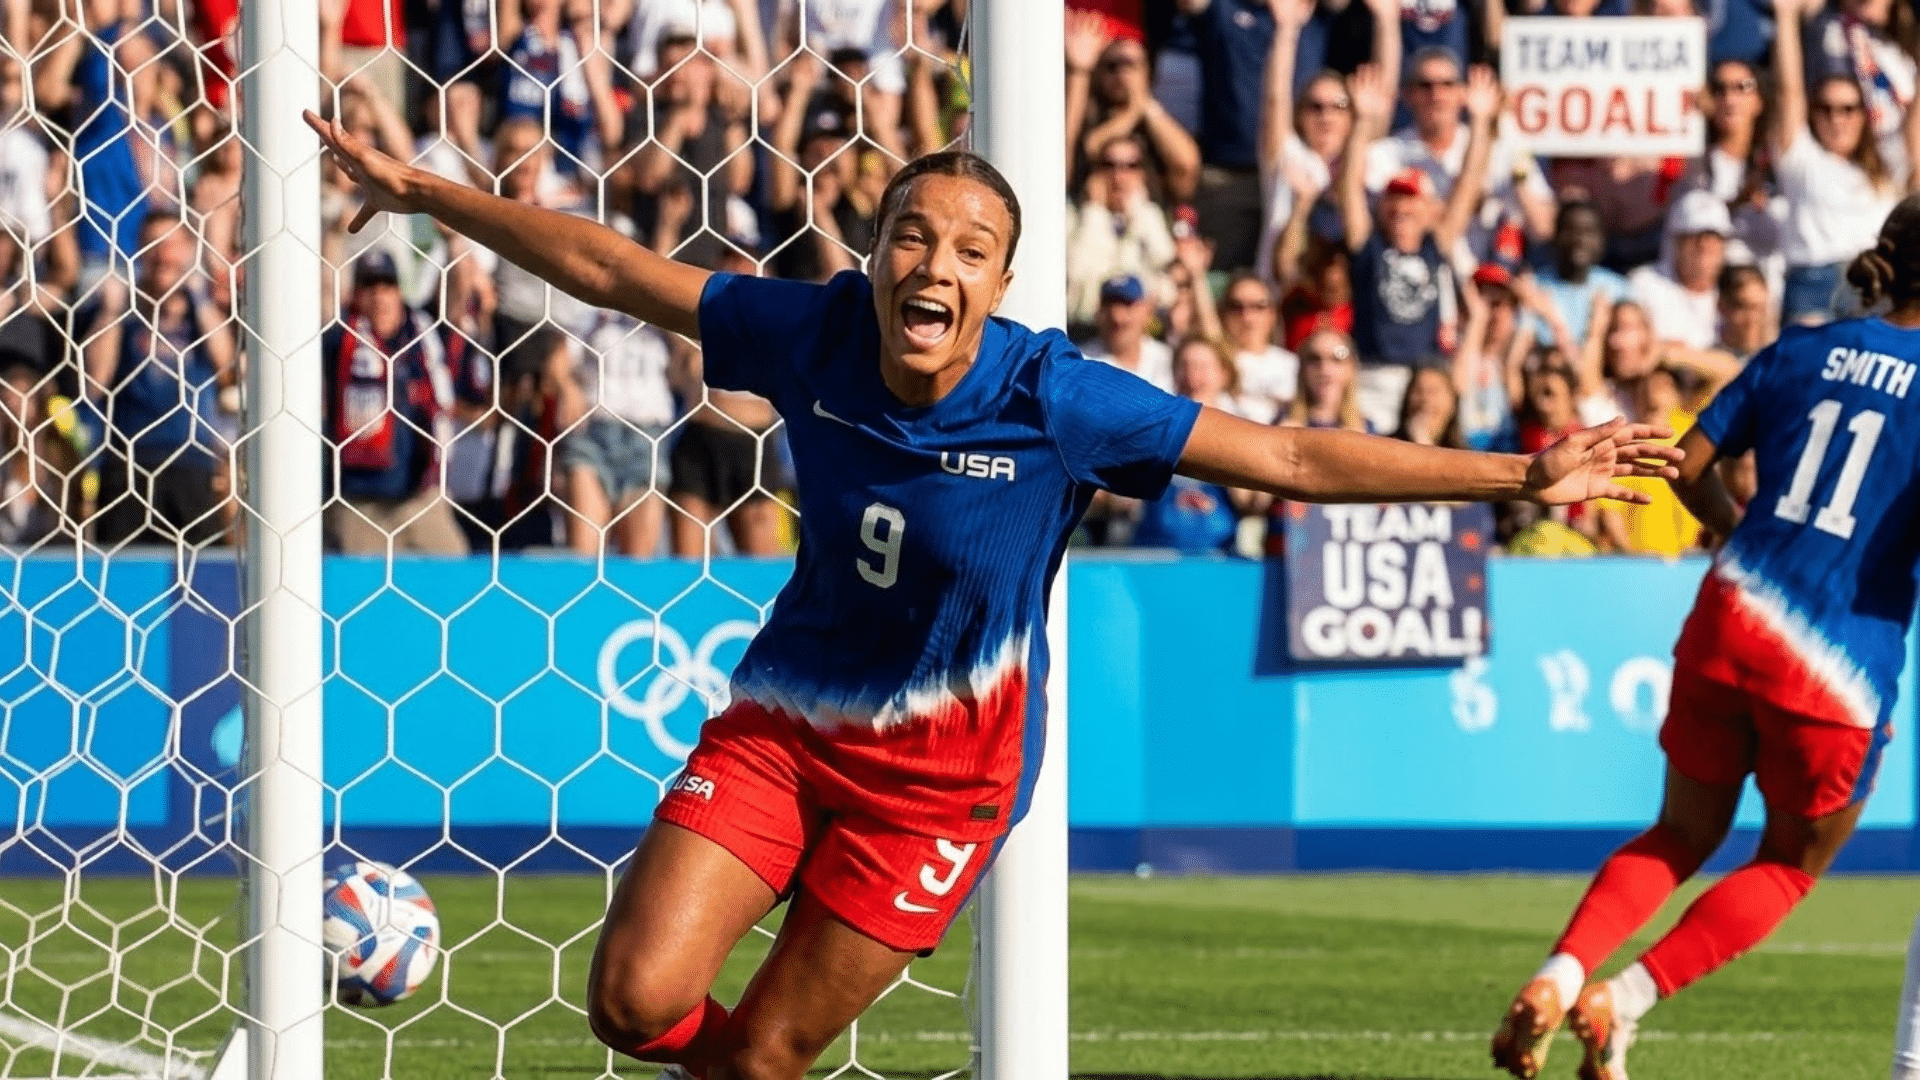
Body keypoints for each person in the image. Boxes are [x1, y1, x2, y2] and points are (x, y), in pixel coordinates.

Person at [308, 109, 1679, 1080]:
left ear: (1000, 283)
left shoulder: (1054, 397)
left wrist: (1521, 471)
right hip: (784, 727)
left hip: (939, 793)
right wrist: (435, 199)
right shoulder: (819, 330)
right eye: (914, 235)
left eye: (968, 249)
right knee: (633, 1000)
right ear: (878, 252)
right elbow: (617, 270)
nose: (935, 265)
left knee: (769, 1055)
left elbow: (1293, 454)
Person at [1491, 196, 1920, 1080]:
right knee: (1790, 865)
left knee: (1680, 832)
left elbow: (1687, 466)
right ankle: (1625, 998)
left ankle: (1560, 974)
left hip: (1731, 611)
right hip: (1840, 664)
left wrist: (1738, 533)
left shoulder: (1801, 345)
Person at [1340, 61, 1496, 433]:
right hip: (1372, 379)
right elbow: (1349, 188)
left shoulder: (1435, 246)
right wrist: (1361, 123)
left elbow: (1468, 183)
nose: (1401, 208)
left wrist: (1479, 123)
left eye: (1411, 200)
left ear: (1428, 211)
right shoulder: (1368, 245)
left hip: (1424, 380)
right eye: (1393, 199)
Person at [321, 250, 476, 556]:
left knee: (456, 570)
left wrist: (453, 240)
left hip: (419, 496)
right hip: (360, 500)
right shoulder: (341, 339)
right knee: (364, 589)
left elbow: (459, 298)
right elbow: (326, 297)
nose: (379, 297)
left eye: (387, 286)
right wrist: (333, 241)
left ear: (399, 291)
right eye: (369, 288)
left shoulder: (424, 333)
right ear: (356, 295)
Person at [1772, 0, 1907, 324]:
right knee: (1807, 375)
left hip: (1875, 282)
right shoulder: (1801, 160)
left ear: (1864, 115)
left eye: (1848, 109)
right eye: (1826, 108)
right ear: (1813, 114)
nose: (1837, 118)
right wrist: (1786, 17)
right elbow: (1788, 91)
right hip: (1813, 283)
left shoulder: (1889, 164)